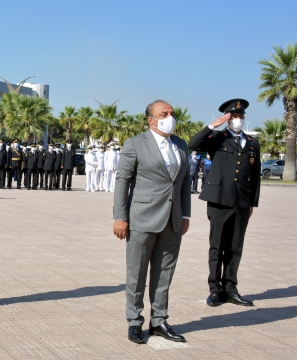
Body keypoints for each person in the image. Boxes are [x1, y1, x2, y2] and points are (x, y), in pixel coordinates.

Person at [113, 99, 191, 344]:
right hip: (142, 219)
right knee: (136, 274)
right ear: (151, 120)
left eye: (172, 113)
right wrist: (120, 217)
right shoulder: (136, 144)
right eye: (164, 113)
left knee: (164, 274)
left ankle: (159, 321)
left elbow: (184, 183)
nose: (170, 117)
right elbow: (122, 181)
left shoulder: (180, 145)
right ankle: (134, 322)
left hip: (173, 220)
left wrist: (186, 214)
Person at [188, 98, 261, 307]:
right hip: (219, 201)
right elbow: (193, 144)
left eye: (240, 116)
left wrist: (252, 203)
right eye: (234, 116)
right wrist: (213, 125)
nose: (238, 120)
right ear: (227, 118)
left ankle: (231, 288)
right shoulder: (217, 138)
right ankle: (215, 289)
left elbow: (255, 177)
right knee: (217, 246)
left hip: (241, 202)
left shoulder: (252, 142)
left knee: (235, 247)